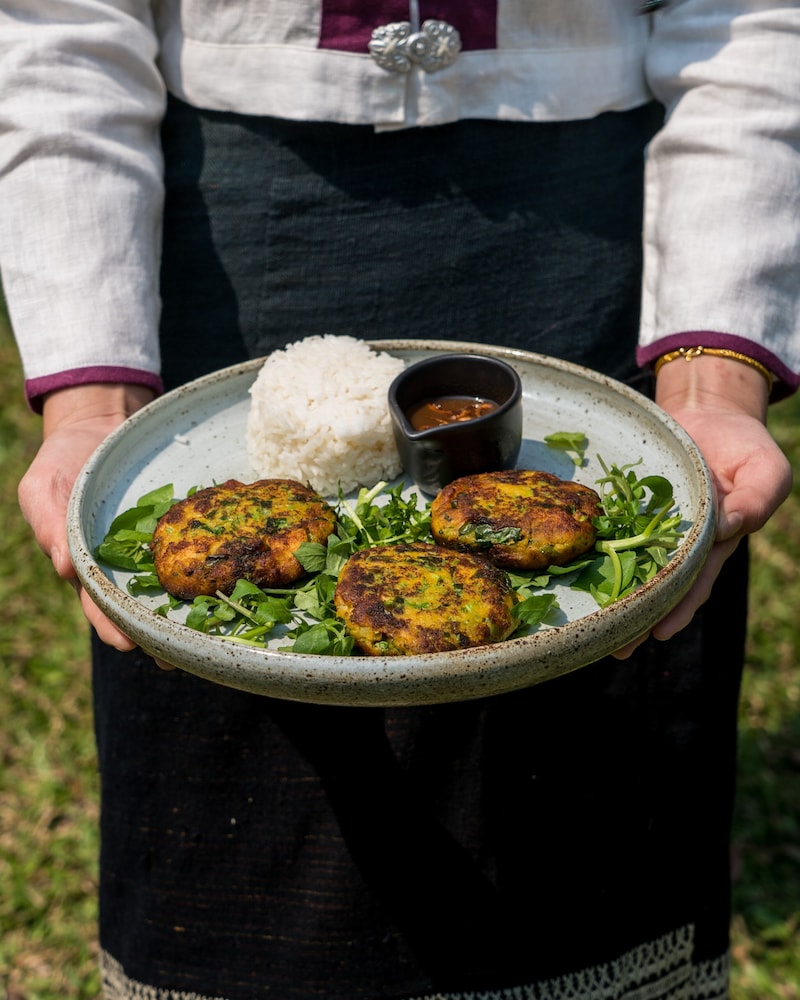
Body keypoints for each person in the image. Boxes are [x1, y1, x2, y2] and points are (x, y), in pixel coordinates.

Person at [1, 1, 797, 997]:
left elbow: (746, 16)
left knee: (573, 814)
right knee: (256, 825)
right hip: (228, 235)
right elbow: (62, 30)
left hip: (594, 241)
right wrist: (94, 408)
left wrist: (710, 383)